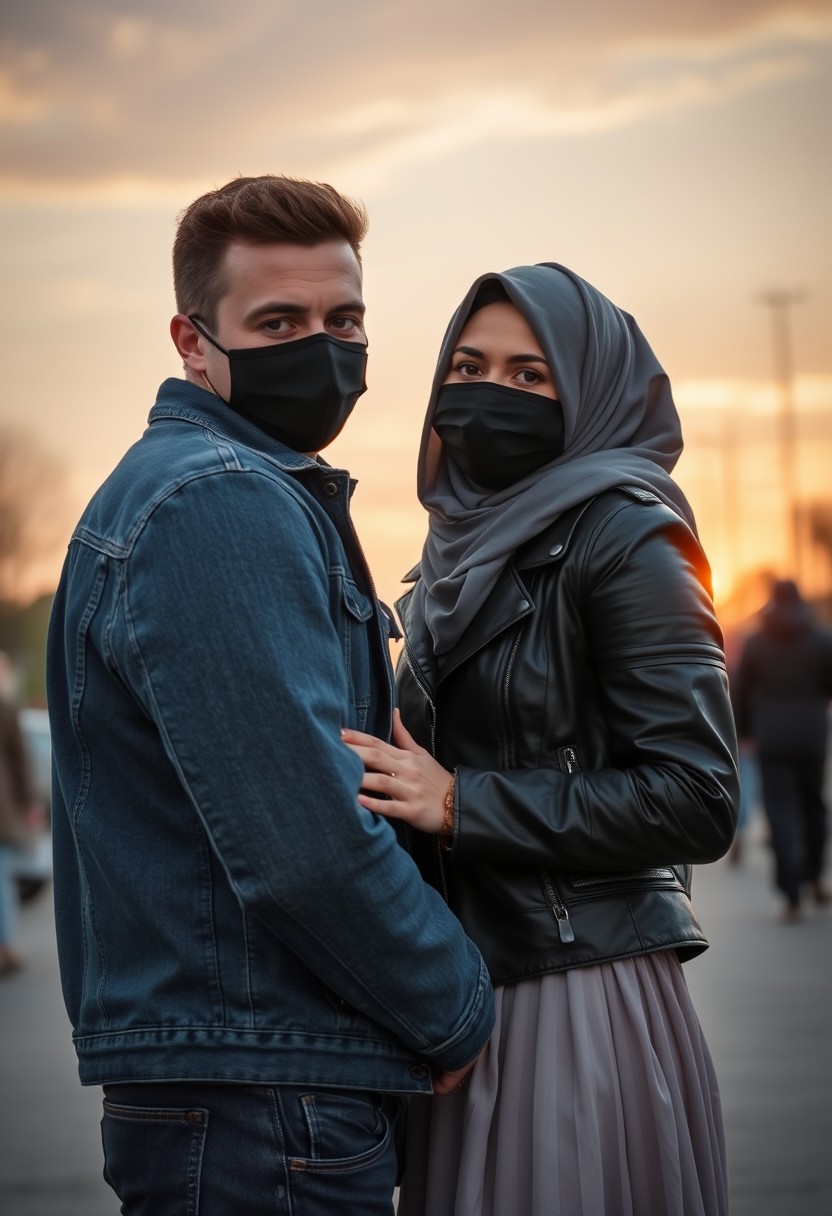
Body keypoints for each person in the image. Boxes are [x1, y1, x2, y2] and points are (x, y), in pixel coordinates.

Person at [46, 175, 493, 1215]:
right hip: (269, 1091)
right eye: (278, 321)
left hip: (246, 1078)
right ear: (192, 339)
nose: (323, 347)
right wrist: (453, 1004)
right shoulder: (219, 501)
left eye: (345, 319)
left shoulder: (216, 486)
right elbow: (302, 839)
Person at [343, 264, 740, 1216]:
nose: (490, 394)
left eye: (531, 376)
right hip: (468, 995)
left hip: (574, 992)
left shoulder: (628, 538)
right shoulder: (450, 565)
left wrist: (461, 802)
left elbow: (699, 796)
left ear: (590, 393)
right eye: (470, 368)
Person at [731, 578, 832, 920]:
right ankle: (815, 877)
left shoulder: (757, 642)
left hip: (771, 734)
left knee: (781, 813)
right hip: (811, 733)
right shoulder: (821, 639)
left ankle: (791, 897)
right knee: (814, 807)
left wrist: (743, 731)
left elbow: (741, 691)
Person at [0, 652, 37, 976]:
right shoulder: (7, 708)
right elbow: (20, 762)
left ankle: (7, 946)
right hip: (3, 808)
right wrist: (30, 805)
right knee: (2, 882)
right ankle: (7, 947)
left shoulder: (7, 710)